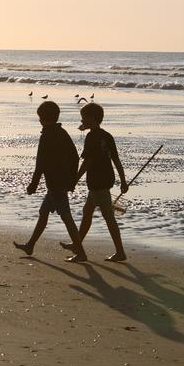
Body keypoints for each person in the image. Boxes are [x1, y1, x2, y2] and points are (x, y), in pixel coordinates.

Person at [13, 101, 88, 262]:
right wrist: (72, 179)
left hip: (55, 183)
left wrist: (33, 184)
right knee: (44, 213)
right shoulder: (62, 132)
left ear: (43, 118)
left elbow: (40, 163)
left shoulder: (47, 135)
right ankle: (30, 245)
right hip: (60, 181)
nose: (39, 121)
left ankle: (81, 252)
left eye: (40, 117)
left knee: (66, 217)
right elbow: (74, 157)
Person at [61, 102, 128, 262]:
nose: (82, 121)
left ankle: (119, 252)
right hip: (105, 180)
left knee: (108, 218)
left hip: (97, 182)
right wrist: (123, 181)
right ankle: (77, 245)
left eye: (84, 118)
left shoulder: (91, 137)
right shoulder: (107, 136)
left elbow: (87, 162)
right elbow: (116, 160)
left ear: (92, 119)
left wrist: (74, 180)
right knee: (87, 212)